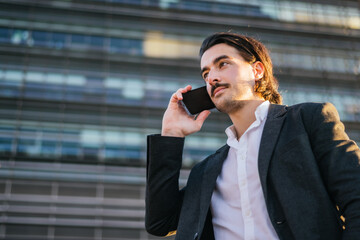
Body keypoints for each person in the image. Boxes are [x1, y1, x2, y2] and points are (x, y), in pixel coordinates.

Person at [145, 32, 360, 240]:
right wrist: (171, 134)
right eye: (206, 74)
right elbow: (160, 223)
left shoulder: (306, 121)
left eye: (223, 64)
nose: (212, 78)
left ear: (257, 70)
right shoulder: (205, 171)